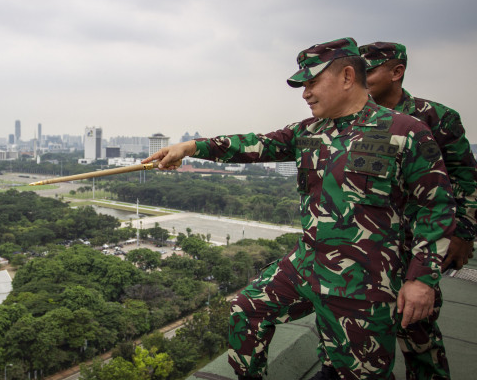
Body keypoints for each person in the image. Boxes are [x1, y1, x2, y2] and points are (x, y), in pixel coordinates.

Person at [142, 37, 456, 380]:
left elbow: (436, 208)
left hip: (363, 281)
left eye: (312, 82)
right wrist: (189, 147)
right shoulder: (308, 132)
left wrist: (421, 280)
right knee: (246, 310)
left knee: (359, 372)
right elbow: (253, 145)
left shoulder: (405, 132)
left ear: (348, 77)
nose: (305, 93)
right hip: (306, 265)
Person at [358, 41, 477, 380]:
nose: (362, 79)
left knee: (417, 330)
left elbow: (467, 181)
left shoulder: (436, 118)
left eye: (371, 71)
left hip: (420, 241)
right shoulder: (353, 120)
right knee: (358, 333)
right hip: (369, 242)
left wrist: (463, 235)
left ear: (397, 72)